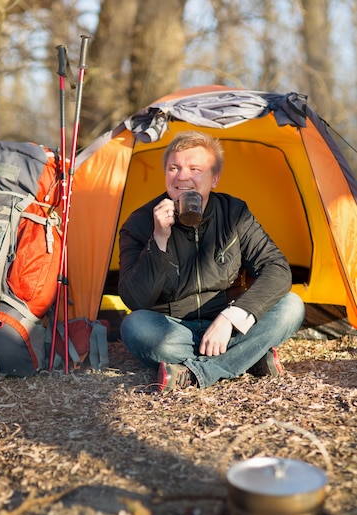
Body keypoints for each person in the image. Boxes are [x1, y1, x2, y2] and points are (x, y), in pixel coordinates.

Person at [118, 130, 305, 392]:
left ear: (214, 178)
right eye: (174, 168)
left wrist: (230, 318)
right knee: (136, 327)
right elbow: (135, 300)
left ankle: (197, 373)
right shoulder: (139, 223)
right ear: (166, 175)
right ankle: (248, 356)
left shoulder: (234, 214)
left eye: (195, 169)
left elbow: (277, 269)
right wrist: (159, 240)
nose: (182, 176)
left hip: (227, 322)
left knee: (291, 306)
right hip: (173, 328)